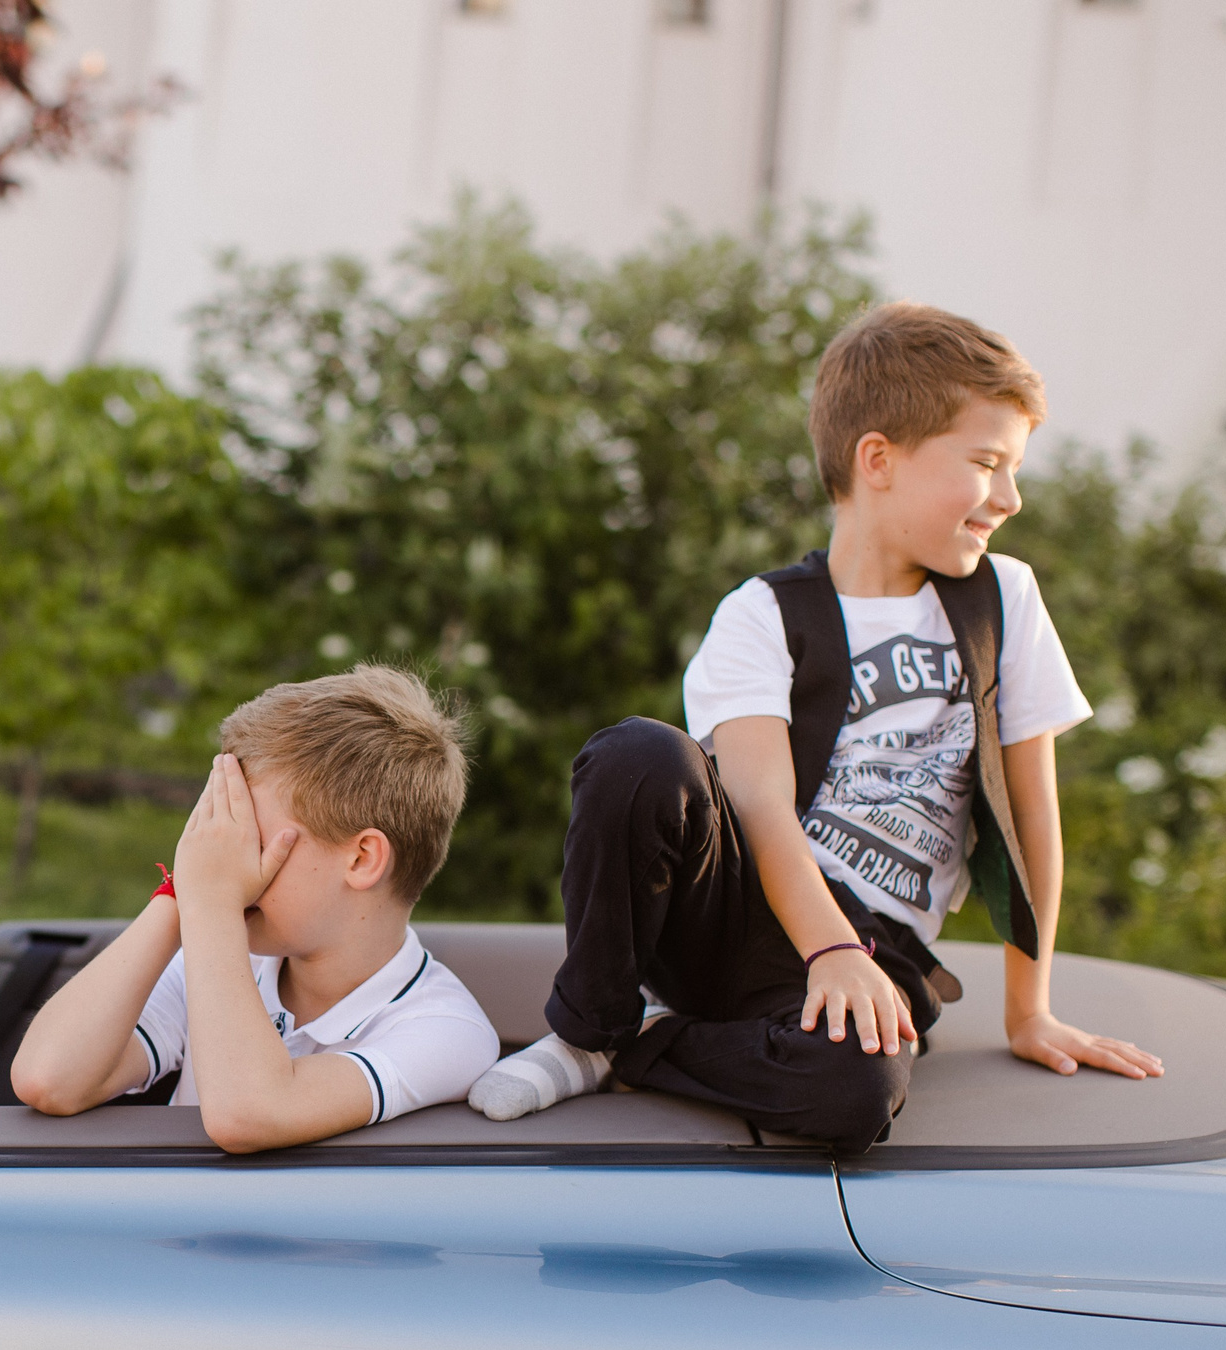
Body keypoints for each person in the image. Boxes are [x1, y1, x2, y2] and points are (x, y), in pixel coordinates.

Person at [469, 302, 1162, 1144]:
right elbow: (757, 805)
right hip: (742, 904)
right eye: (987, 463)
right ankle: (589, 1026)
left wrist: (1031, 1010)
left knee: (853, 1090)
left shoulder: (1002, 604)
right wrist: (828, 947)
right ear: (878, 459)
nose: (1010, 497)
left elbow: (1032, 821)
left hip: (881, 950)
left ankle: (641, 1045)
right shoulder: (762, 615)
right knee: (639, 754)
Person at [14, 665, 500, 1151]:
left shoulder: (445, 1030)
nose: (227, 861)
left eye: (253, 838)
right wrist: (183, 889)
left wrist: (213, 903)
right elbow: (48, 1078)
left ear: (362, 858)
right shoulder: (224, 957)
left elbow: (248, 1113)